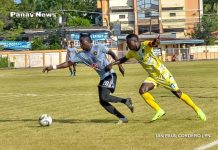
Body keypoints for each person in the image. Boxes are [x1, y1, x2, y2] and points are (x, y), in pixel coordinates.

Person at [105, 34, 206, 122]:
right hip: (153, 76)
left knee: (177, 93)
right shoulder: (132, 52)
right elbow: (123, 59)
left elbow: (152, 44)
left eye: (129, 43)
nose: (128, 46)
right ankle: (159, 110)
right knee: (142, 90)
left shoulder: (145, 45)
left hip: (163, 74)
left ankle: (197, 110)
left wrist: (156, 42)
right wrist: (112, 64)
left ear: (135, 41)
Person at [43, 33, 134, 124]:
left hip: (110, 75)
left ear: (89, 42)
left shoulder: (99, 47)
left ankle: (126, 102)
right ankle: (123, 116)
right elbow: (68, 63)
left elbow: (111, 53)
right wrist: (53, 67)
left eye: (82, 43)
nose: (81, 45)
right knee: (102, 101)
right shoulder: (81, 55)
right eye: (80, 43)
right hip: (103, 77)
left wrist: (119, 65)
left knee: (104, 97)